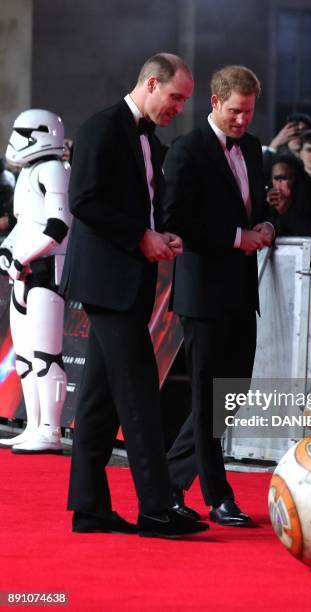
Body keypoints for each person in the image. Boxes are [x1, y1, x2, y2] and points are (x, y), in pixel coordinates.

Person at [60, 53, 208, 538]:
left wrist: (161, 234)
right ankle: (157, 508)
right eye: (176, 98)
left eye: (185, 100)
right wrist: (140, 238)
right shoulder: (101, 128)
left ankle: (89, 509)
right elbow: (83, 200)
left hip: (126, 282)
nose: (180, 108)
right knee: (140, 394)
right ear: (150, 84)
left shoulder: (148, 138)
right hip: (107, 283)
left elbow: (141, 204)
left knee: (99, 403)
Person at [161, 65, 274, 526]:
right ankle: (217, 494)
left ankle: (167, 481)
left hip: (241, 291)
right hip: (201, 292)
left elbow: (258, 207)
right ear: (214, 102)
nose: (243, 121)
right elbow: (174, 219)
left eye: (248, 112)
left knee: (232, 393)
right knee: (210, 396)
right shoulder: (186, 151)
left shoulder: (251, 147)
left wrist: (267, 225)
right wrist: (235, 238)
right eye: (235, 111)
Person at [0, 110, 71, 454]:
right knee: (25, 357)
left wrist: (20, 257)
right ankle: (33, 425)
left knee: (45, 355)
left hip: (45, 271)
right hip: (24, 271)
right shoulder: (30, 172)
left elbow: (58, 228)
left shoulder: (55, 170)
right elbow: (25, 225)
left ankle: (50, 429)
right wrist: (8, 252)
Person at [267, 154, 311, 236]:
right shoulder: (264, 200)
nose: (282, 184)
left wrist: (286, 211)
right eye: (277, 179)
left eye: (288, 178)